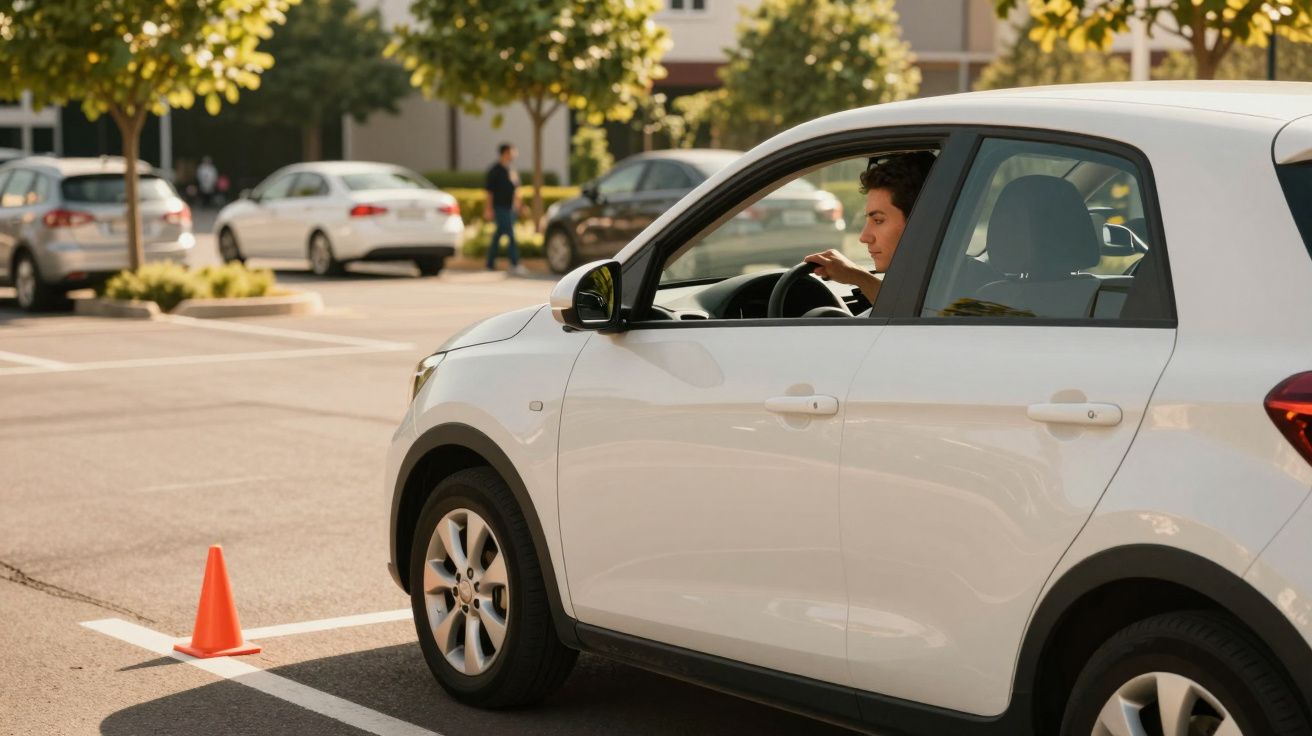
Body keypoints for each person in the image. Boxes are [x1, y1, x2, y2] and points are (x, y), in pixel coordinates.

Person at [804, 151, 936, 307]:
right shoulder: (936, 283)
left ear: (921, 221)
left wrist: (860, 278)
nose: (864, 237)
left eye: (878, 220)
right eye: (867, 220)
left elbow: (919, 315)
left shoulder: (959, 288)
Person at [484, 143, 528, 276]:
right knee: (510, 234)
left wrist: (520, 206)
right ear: (504, 153)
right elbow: (489, 192)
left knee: (498, 235)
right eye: (511, 152)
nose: (514, 154)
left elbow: (516, 191)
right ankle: (514, 264)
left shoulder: (511, 171)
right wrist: (488, 209)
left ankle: (490, 263)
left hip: (510, 208)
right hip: (499, 208)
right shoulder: (494, 171)